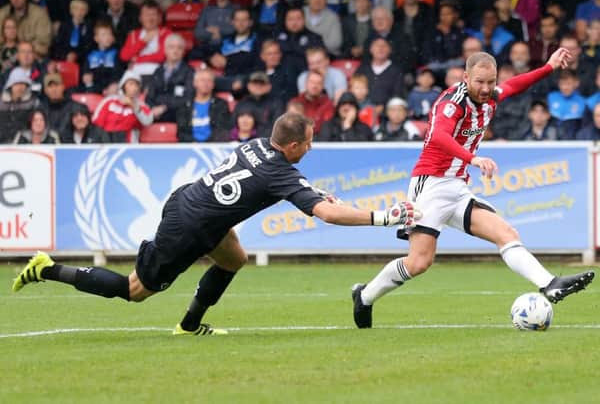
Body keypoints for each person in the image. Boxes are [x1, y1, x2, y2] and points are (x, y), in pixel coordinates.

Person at [12, 112, 420, 336]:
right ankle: (46, 268)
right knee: (133, 291)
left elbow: (288, 186)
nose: (311, 148)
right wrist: (386, 217)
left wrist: (315, 194)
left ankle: (189, 325)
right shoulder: (280, 171)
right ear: (292, 145)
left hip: (192, 204)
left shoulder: (259, 144)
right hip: (190, 226)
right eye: (309, 143)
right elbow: (327, 214)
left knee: (233, 259)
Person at [350, 47, 595, 329]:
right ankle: (365, 296)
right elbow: (440, 135)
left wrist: (549, 67)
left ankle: (549, 284)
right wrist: (473, 158)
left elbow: (513, 85)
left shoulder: (490, 97)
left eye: (491, 82)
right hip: (430, 184)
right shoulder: (451, 103)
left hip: (457, 188)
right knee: (419, 263)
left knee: (506, 233)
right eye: (479, 81)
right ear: (466, 77)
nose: (486, 88)